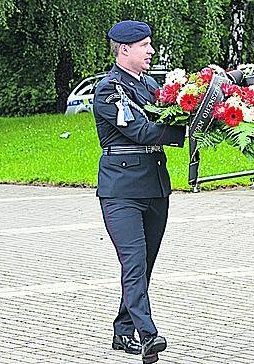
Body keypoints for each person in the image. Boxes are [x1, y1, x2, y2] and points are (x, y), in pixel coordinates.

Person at [93, 20, 186, 364]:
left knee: (143, 266)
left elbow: (170, 113)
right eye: (144, 45)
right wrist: (181, 129)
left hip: (154, 187)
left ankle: (122, 330)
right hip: (121, 191)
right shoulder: (108, 90)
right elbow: (141, 130)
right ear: (124, 50)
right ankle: (147, 335)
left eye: (150, 44)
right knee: (133, 264)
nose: (150, 51)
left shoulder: (149, 84)